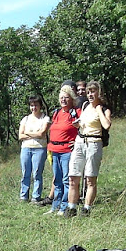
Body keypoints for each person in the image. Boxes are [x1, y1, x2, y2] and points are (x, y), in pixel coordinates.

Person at [64, 80, 111, 217]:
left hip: (93, 142)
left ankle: (86, 208)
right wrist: (78, 124)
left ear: (99, 93)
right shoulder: (84, 106)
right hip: (80, 141)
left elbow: (106, 125)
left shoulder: (104, 109)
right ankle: (71, 207)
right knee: (73, 176)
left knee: (90, 179)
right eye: (89, 92)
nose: (90, 94)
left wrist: (98, 109)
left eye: (93, 92)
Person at [46, 85, 80, 215]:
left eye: (66, 97)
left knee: (67, 180)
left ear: (71, 99)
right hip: (55, 150)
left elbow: (82, 126)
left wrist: (76, 141)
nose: (63, 100)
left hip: (67, 150)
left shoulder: (75, 112)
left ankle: (64, 206)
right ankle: (55, 206)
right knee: (57, 179)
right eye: (61, 98)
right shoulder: (56, 113)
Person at [18, 94, 50, 204]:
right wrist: (34, 134)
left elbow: (42, 134)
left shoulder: (45, 118)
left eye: (36, 105)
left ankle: (36, 196)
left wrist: (27, 133)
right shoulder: (25, 119)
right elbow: (20, 136)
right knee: (25, 173)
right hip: (26, 148)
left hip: (40, 148)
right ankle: (23, 196)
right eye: (31, 105)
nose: (33, 108)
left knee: (37, 173)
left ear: (40, 106)